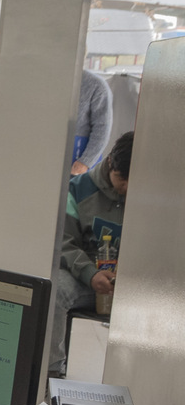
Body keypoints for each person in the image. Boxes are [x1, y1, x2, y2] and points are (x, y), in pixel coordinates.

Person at [52, 132, 133, 374]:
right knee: (56, 291)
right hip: (88, 278)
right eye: (122, 178)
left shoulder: (153, 194)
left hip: (136, 285)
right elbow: (63, 244)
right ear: (110, 163)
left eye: (133, 180)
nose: (127, 187)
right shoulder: (78, 190)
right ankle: (52, 372)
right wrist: (90, 273)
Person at [72, 68, 113, 176]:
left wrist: (85, 161)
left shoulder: (96, 85)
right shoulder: (47, 78)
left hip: (78, 155)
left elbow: (102, 128)